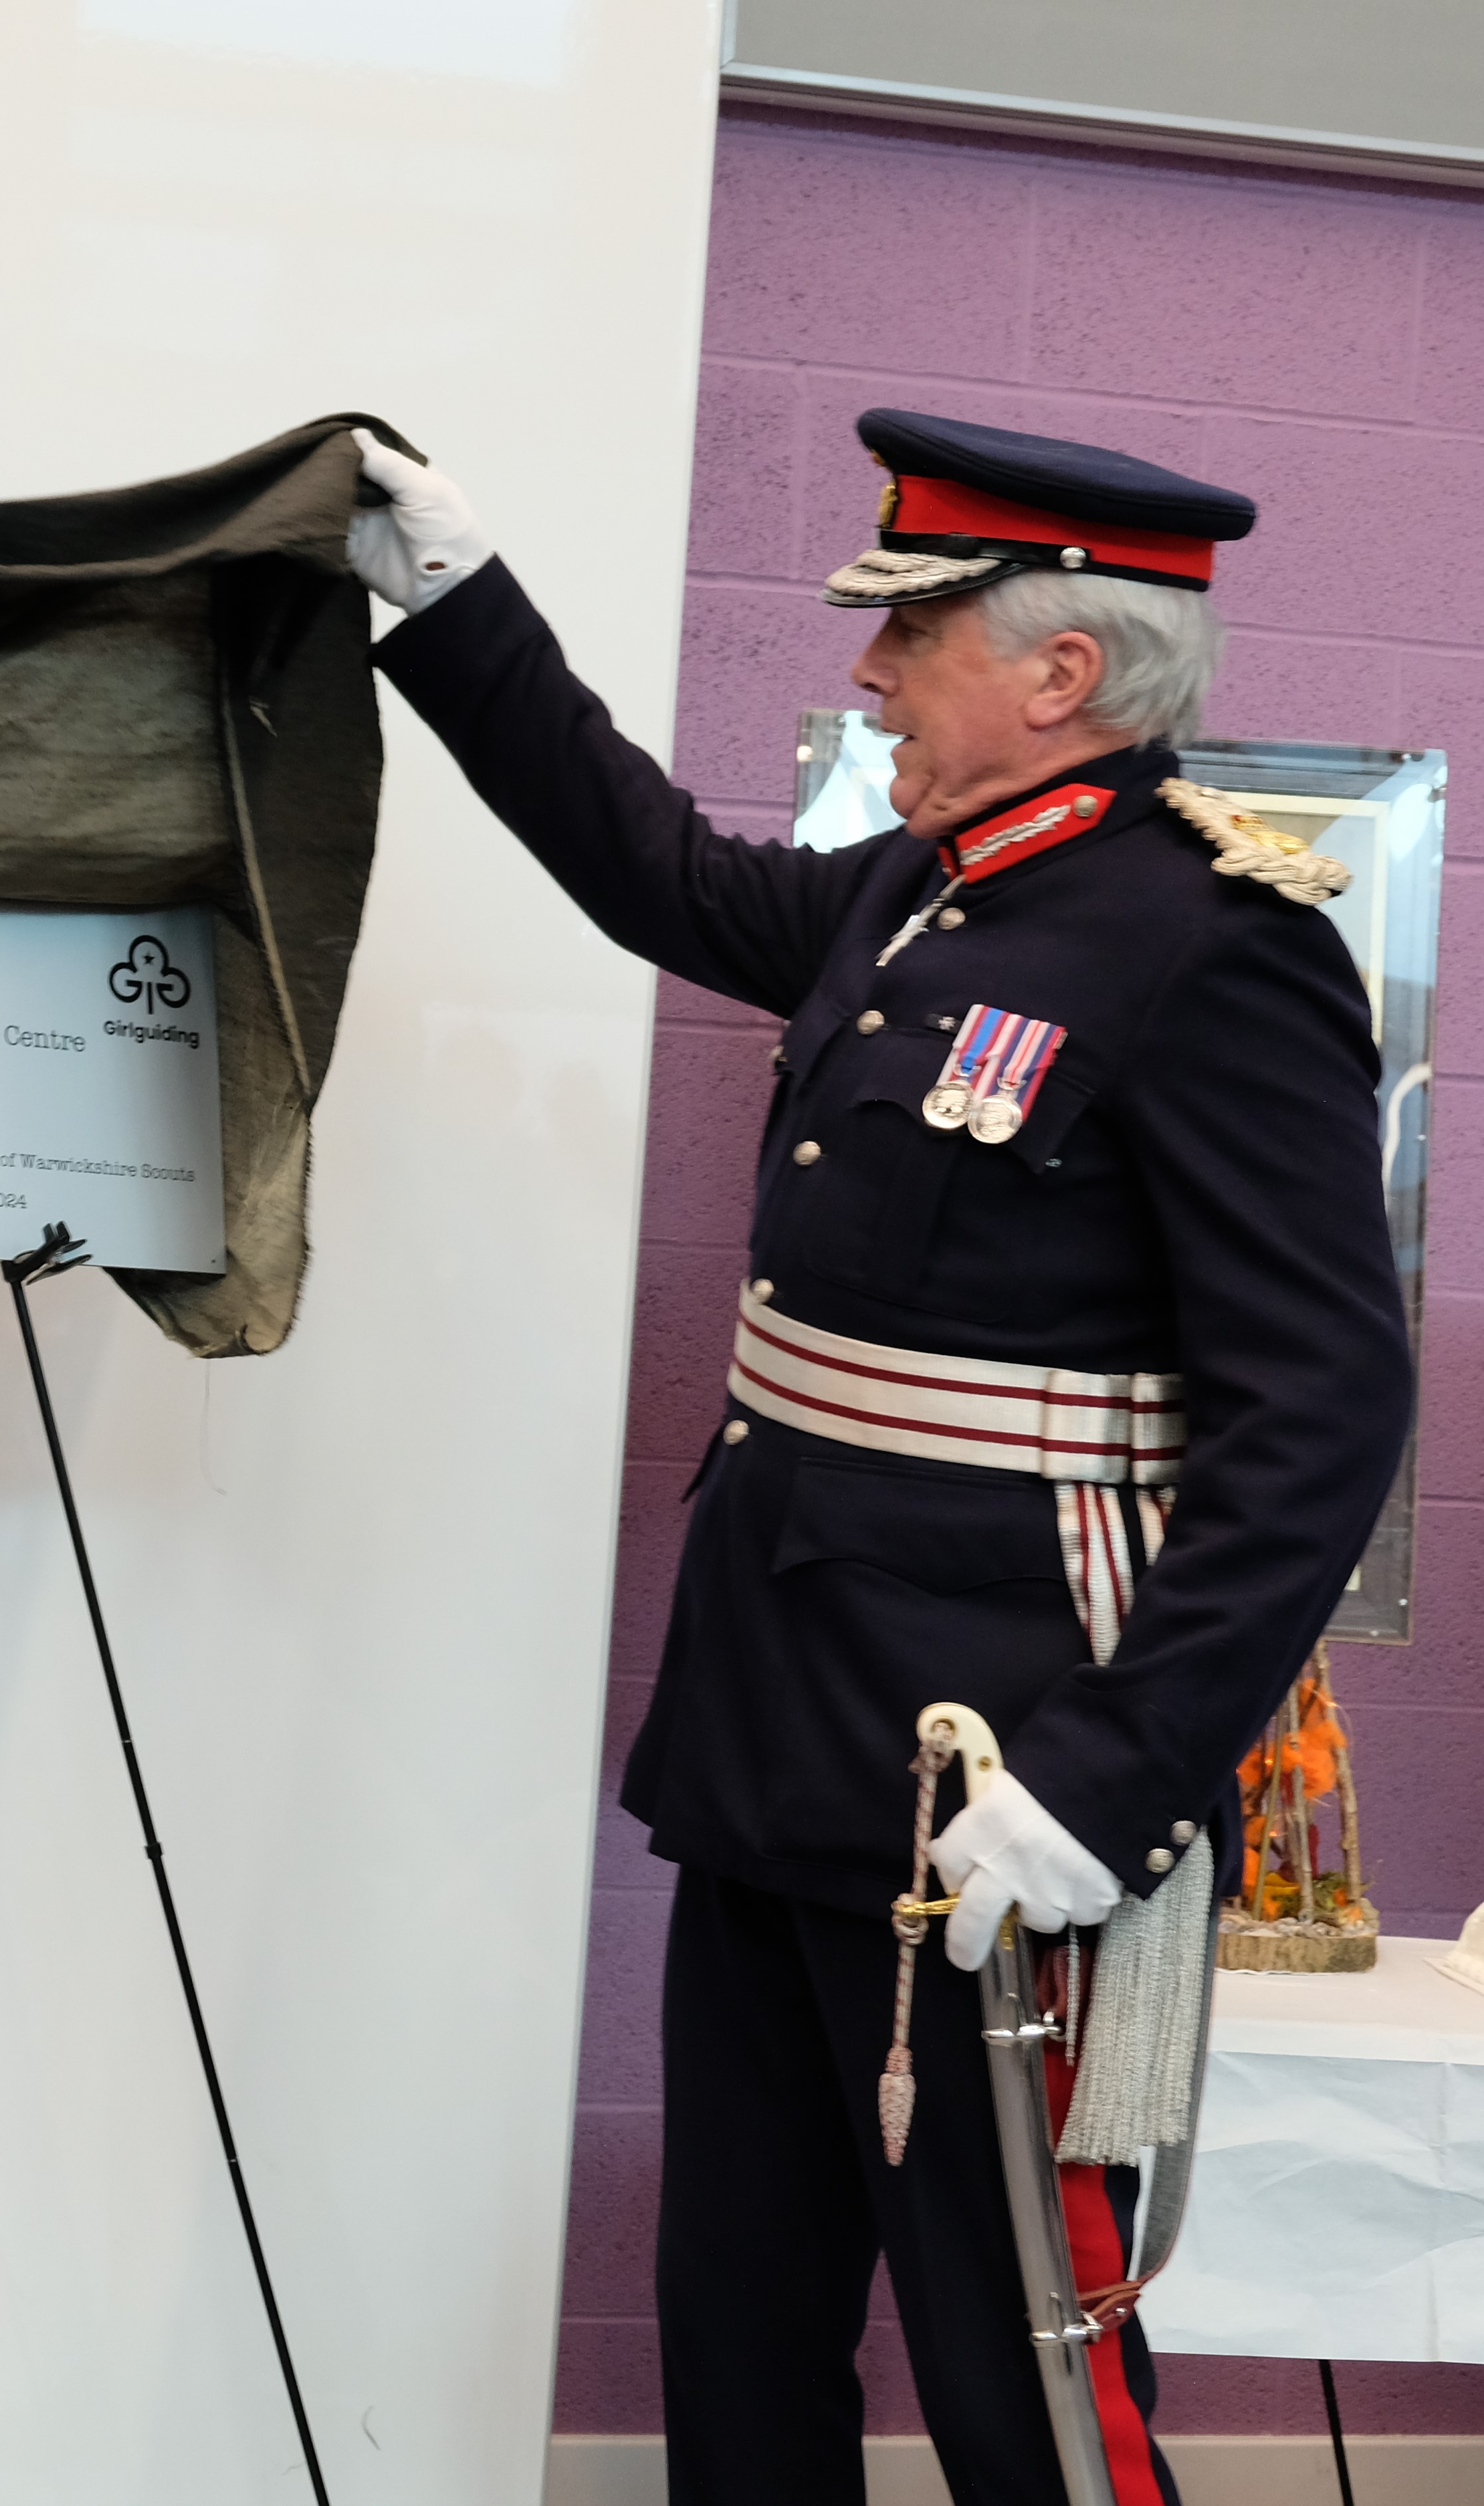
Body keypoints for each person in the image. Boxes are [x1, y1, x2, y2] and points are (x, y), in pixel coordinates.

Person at [352, 411, 1411, 2504]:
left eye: (908, 631)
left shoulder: (1216, 944)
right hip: (779, 1727)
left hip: (993, 1776)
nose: (865, 672)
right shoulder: (928, 891)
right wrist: (457, 604)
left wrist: (1109, 1787)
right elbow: (663, 874)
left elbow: (1324, 1417)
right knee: (738, 2335)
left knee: (1019, 2368)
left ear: (1062, 674)